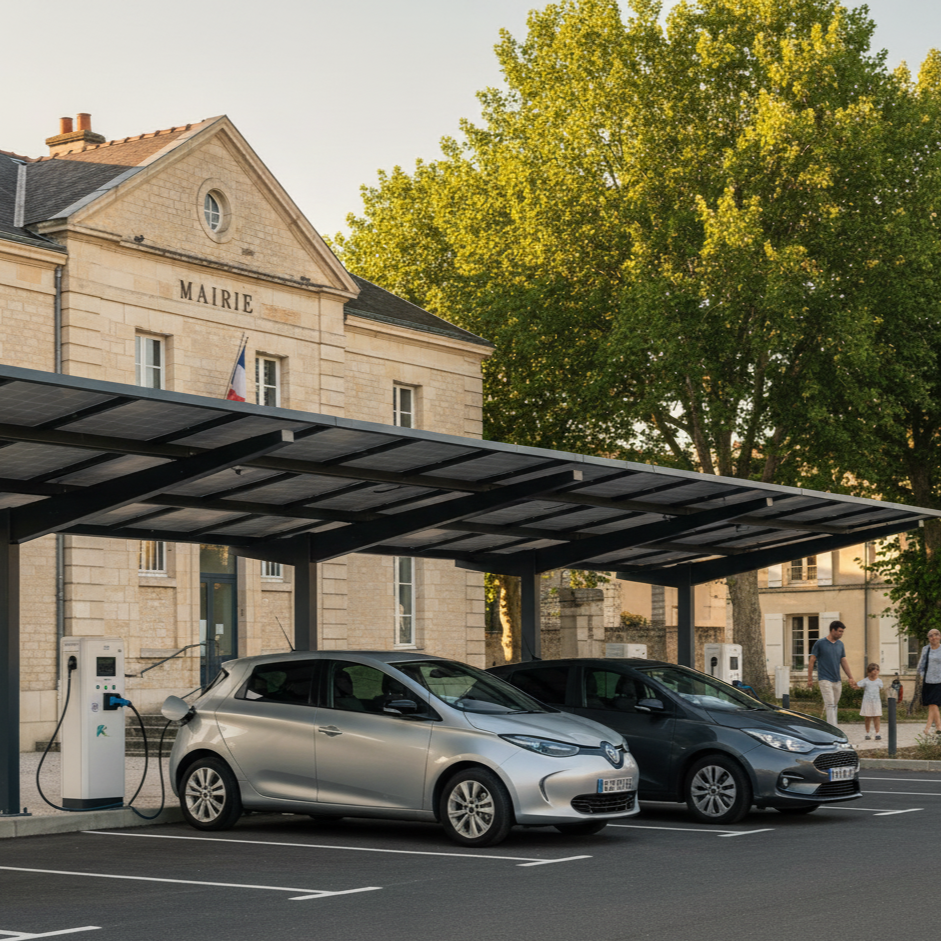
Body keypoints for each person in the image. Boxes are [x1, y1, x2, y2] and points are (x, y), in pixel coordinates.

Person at [807, 620, 857, 727]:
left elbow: (843, 661)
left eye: (842, 632)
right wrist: (810, 678)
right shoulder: (820, 643)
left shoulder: (840, 645)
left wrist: (850, 677)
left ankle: (831, 726)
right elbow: (812, 660)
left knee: (834, 705)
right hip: (824, 678)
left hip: (836, 679)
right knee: (830, 704)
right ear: (832, 630)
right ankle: (834, 729)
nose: (841, 634)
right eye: (839, 631)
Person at [917, 629, 941, 735]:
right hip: (928, 680)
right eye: (931, 635)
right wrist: (923, 675)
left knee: (933, 703)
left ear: (940, 636)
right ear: (928, 638)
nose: (934, 637)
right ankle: (931, 728)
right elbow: (921, 665)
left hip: (940, 681)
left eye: (936, 635)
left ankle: (936, 727)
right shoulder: (925, 649)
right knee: (932, 704)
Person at [857, 663, 883, 740]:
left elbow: (881, 688)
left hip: (876, 701)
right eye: (873, 669)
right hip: (867, 701)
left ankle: (877, 733)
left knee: (877, 717)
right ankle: (867, 733)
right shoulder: (865, 681)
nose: (875, 671)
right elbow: (858, 685)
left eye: (877, 669)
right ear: (869, 671)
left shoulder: (879, 681)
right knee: (867, 717)